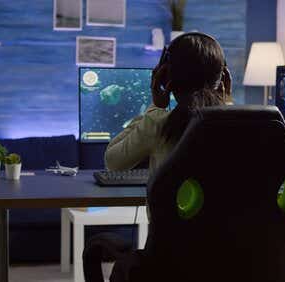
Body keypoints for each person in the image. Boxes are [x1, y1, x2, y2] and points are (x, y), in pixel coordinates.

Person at [83, 32, 233, 282]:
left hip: (168, 268)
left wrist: (155, 107)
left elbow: (113, 160)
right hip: (232, 265)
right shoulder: (246, 127)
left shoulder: (160, 124)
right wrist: (227, 100)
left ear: (166, 77)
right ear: (223, 78)